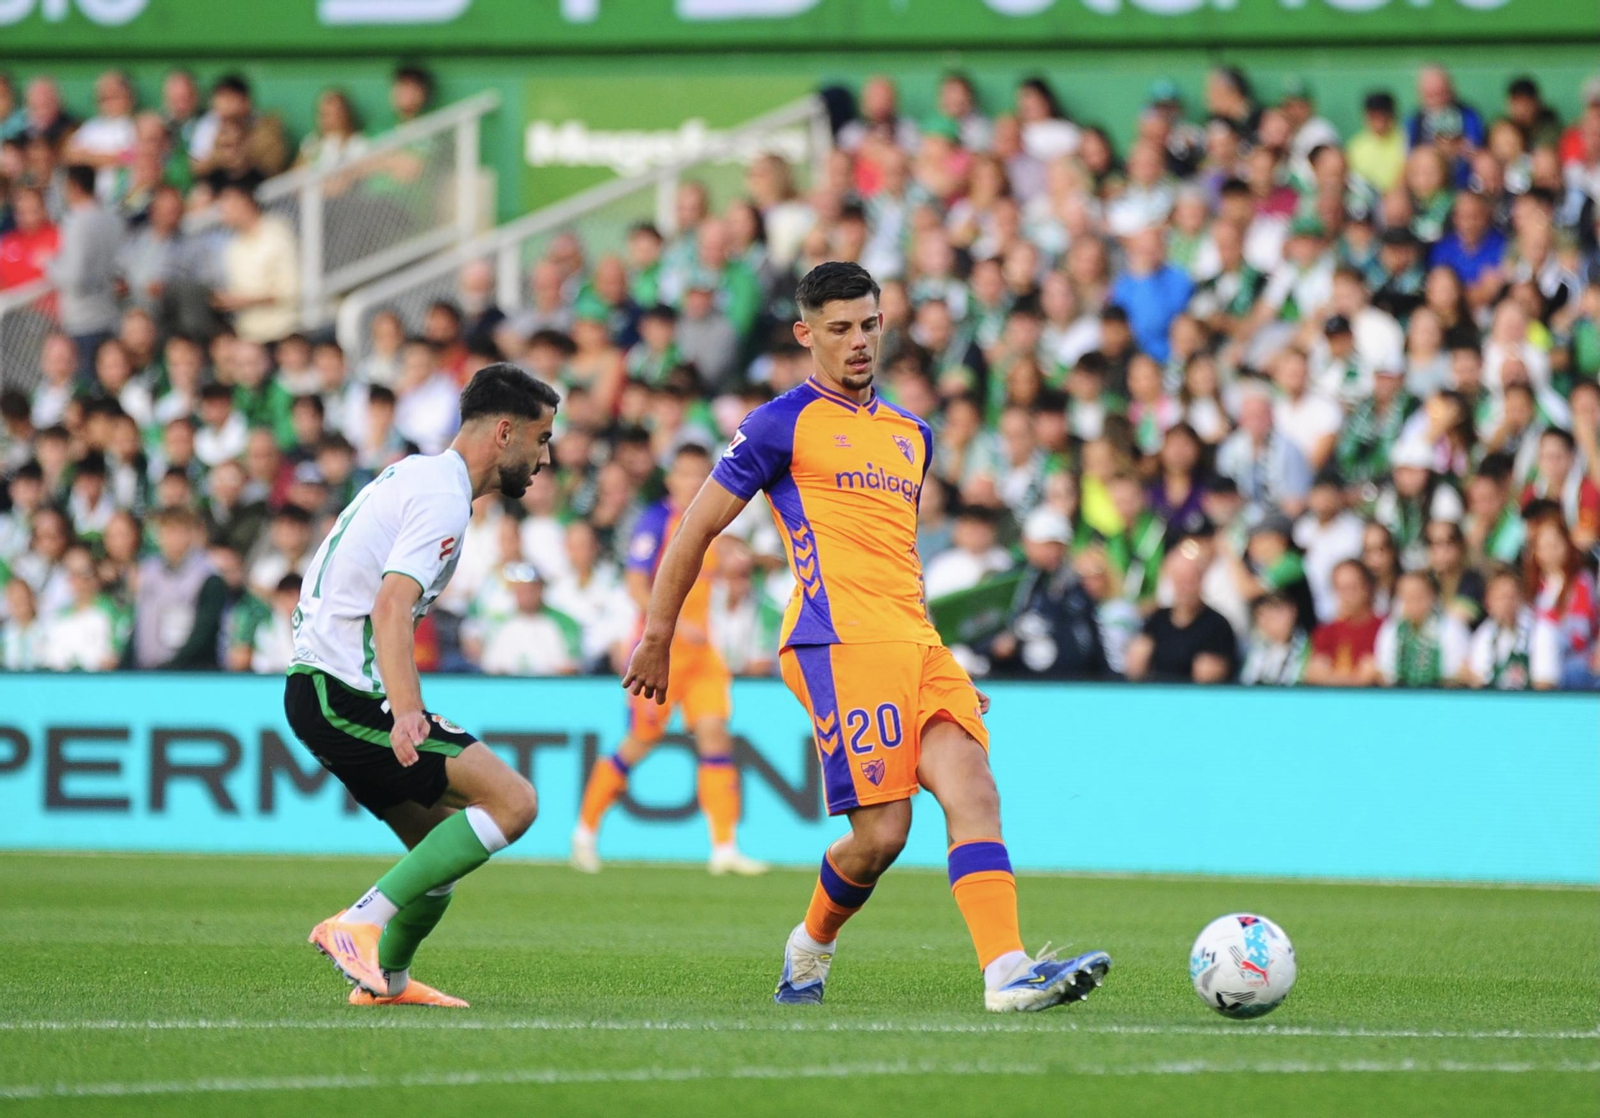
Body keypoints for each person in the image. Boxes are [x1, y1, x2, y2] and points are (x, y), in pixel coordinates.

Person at [623, 261, 1110, 1013]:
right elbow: (696, 526)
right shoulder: (778, 423)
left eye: (870, 324)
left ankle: (1007, 971)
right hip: (835, 640)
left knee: (975, 785)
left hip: (914, 639)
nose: (859, 342)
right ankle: (810, 947)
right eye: (840, 328)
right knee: (883, 835)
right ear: (805, 333)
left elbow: (897, 560)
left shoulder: (912, 435)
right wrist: (657, 634)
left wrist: (935, 654)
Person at [290, 364, 557, 1008]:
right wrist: (407, 712)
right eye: (541, 438)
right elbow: (390, 607)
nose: (544, 457)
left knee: (437, 849)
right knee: (515, 803)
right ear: (503, 433)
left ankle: (388, 982)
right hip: (342, 690)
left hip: (324, 690)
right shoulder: (442, 496)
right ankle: (359, 923)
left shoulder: (422, 477)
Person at [572, 443, 768, 878]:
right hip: (662, 654)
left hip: (703, 656)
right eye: (686, 474)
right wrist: (672, 628)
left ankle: (724, 847)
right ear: (671, 479)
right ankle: (585, 832)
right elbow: (636, 585)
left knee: (715, 737)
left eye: (703, 475)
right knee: (639, 743)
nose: (695, 483)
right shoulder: (656, 521)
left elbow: (731, 567)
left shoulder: (716, 521)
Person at [1125, 542, 1239, 683]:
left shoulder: (1217, 625)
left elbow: (1211, 675)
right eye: (1180, 580)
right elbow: (1136, 666)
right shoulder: (1157, 620)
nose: (1185, 588)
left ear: (1202, 581)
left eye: (1191, 580)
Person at [45, 164, 122, 372]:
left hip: (84, 319)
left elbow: (74, 277)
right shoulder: (113, 218)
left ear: (74, 186)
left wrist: (49, 264)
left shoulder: (76, 222)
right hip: (112, 312)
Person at [1463, 568, 1559, 690]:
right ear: (1488, 602)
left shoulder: (1541, 631)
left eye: (1512, 596)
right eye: (1500, 597)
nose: (1507, 603)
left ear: (1522, 598)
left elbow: (1545, 683)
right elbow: (1479, 680)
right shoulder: (1484, 634)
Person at [1374, 570, 1470, 687]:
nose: (1413, 602)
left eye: (1419, 596)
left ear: (1433, 596)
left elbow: (1455, 675)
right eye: (1406, 597)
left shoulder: (1451, 629)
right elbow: (1386, 673)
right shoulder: (1391, 629)